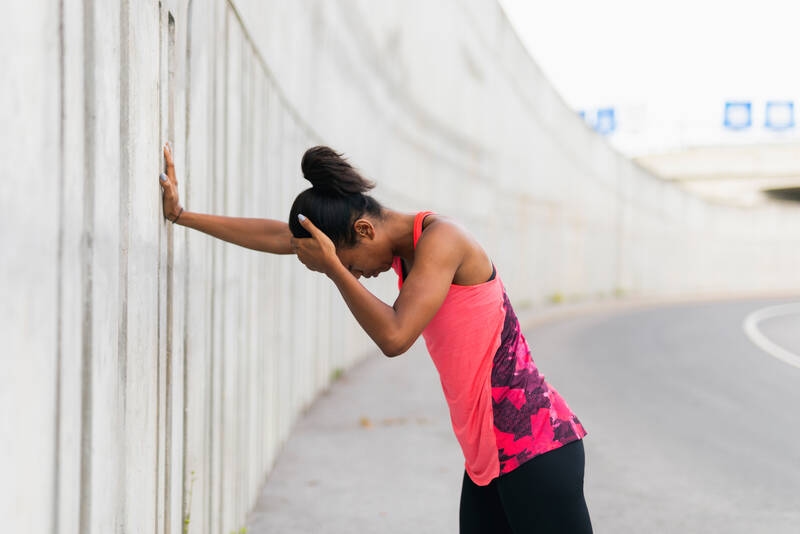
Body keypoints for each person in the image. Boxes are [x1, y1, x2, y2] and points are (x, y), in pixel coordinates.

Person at [159, 142, 593, 534]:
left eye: (350, 263)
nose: (355, 273)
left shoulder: (443, 241)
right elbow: (282, 237)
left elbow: (395, 336)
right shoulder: (406, 249)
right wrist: (182, 216)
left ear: (365, 231)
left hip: (534, 446)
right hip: (489, 457)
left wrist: (333, 269)